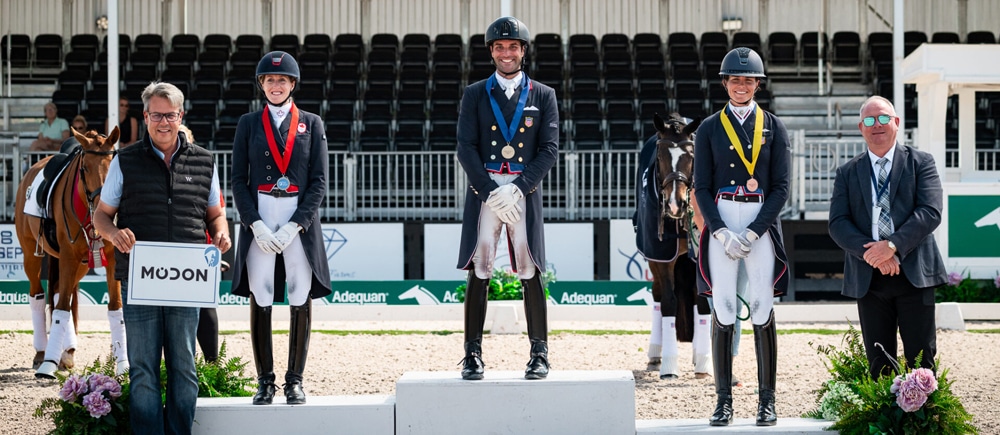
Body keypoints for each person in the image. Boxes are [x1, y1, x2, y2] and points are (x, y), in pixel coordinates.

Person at [93, 81, 231, 434]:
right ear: (146, 117)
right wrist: (113, 233)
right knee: (142, 368)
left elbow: (215, 214)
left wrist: (221, 232)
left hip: (187, 280)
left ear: (180, 116)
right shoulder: (124, 161)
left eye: (170, 115)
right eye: (156, 115)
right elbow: (101, 216)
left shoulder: (205, 161)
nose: (164, 122)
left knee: (185, 366)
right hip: (140, 280)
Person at [456, 16, 559, 381]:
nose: (506, 53)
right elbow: (465, 146)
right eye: (499, 47)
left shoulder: (543, 94)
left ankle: (539, 353)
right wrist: (488, 190)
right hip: (486, 189)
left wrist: (519, 186)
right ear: (491, 52)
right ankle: (472, 353)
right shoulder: (475, 93)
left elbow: (549, 148)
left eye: (512, 46)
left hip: (522, 190)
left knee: (530, 267)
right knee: (480, 266)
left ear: (523, 51)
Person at [693, 47, 790, 427]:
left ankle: (767, 400)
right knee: (723, 306)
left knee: (762, 305)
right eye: (735, 80)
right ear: (725, 83)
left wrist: (753, 231)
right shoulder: (709, 127)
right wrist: (719, 231)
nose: (741, 86)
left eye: (748, 81)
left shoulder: (773, 126)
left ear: (757, 85)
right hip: (722, 215)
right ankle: (723, 401)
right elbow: (701, 187)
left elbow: (781, 187)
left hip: (758, 218)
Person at [231, 51, 331, 405]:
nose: (276, 85)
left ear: (292, 84)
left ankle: (295, 380)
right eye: (270, 80)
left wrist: (297, 224)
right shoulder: (248, 123)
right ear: (262, 84)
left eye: (282, 80)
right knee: (260, 292)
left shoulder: (312, 123)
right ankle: (265, 381)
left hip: (296, 216)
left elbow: (319, 181)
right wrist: (254, 223)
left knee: (299, 292)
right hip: (260, 212)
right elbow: (238, 180)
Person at [828, 96, 945, 380]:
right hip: (869, 277)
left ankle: (922, 409)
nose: (876, 125)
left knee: (921, 359)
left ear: (896, 122)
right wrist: (873, 254)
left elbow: (929, 212)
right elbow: (838, 223)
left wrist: (892, 246)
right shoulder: (847, 172)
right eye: (869, 120)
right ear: (861, 127)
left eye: (883, 118)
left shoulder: (921, 163)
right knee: (879, 362)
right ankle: (884, 410)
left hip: (914, 272)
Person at [178, 123, 223, 363]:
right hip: (169, 250)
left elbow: (216, 213)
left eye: (184, 138)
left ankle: (212, 363)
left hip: (199, 248)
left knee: (205, 307)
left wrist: (217, 241)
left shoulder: (204, 167)